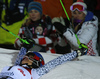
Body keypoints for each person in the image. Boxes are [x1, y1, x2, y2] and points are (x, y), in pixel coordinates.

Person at [0, 38, 84, 79]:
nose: (25, 57)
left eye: (30, 57)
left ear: (37, 62)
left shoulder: (35, 72)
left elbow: (58, 61)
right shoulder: (18, 65)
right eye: (26, 56)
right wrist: (25, 46)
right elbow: (20, 55)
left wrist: (77, 53)